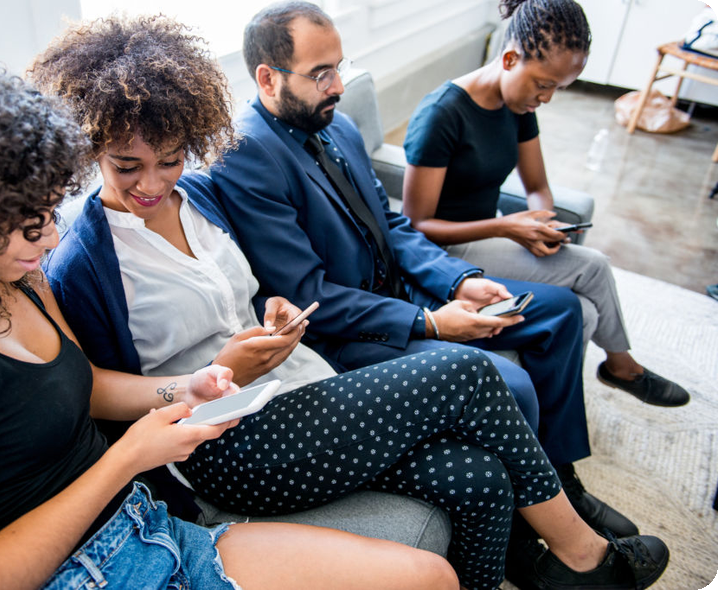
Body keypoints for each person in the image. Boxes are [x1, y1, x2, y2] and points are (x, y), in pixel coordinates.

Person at [31, 14, 668, 590]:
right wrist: (208, 378)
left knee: (479, 477)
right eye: (127, 166)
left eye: (169, 160)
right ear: (91, 147)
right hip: (223, 441)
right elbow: (96, 395)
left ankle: (534, 572)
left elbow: (258, 292)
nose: (151, 183)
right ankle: (583, 558)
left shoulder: (199, 197)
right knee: (468, 372)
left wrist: (276, 316)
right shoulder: (84, 260)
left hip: (294, 385)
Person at [0, 56, 471, 590]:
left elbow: (86, 385)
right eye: (28, 225)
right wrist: (127, 457)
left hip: (145, 523)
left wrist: (187, 387)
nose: (50, 237)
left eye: (48, 213)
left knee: (429, 577)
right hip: (81, 572)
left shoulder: (16, 279)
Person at [207, 0, 635, 541]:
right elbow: (308, 293)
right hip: (349, 334)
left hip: (404, 291)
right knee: (512, 384)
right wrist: (430, 323)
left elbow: (392, 224)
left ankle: (558, 474)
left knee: (562, 312)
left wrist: (458, 280)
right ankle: (532, 531)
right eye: (321, 74)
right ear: (268, 78)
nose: (339, 85)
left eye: (339, 66)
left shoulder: (336, 126)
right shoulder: (247, 152)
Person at [401, 0, 688, 409]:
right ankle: (622, 367)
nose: (547, 98)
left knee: (586, 313)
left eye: (558, 88)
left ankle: (546, 407)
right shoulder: (442, 115)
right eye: (543, 84)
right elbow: (417, 225)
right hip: (446, 252)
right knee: (593, 266)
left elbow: (536, 186)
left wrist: (544, 220)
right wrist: (507, 227)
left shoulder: (517, 104)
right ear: (509, 59)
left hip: (490, 234)